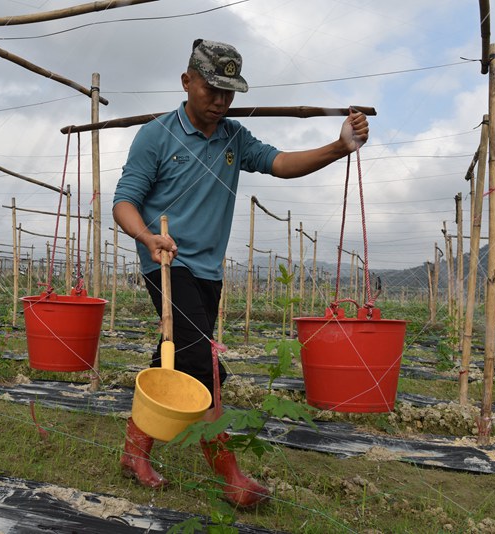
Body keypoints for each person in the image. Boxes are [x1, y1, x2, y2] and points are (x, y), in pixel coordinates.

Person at [113, 39, 369, 507]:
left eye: (228, 93)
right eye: (212, 89)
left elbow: (281, 164)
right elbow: (124, 201)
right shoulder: (156, 136)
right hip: (167, 264)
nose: (220, 101)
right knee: (201, 361)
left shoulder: (234, 138)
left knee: (174, 357)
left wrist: (338, 147)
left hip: (208, 270)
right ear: (187, 81)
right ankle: (231, 477)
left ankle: (135, 450)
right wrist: (148, 238)